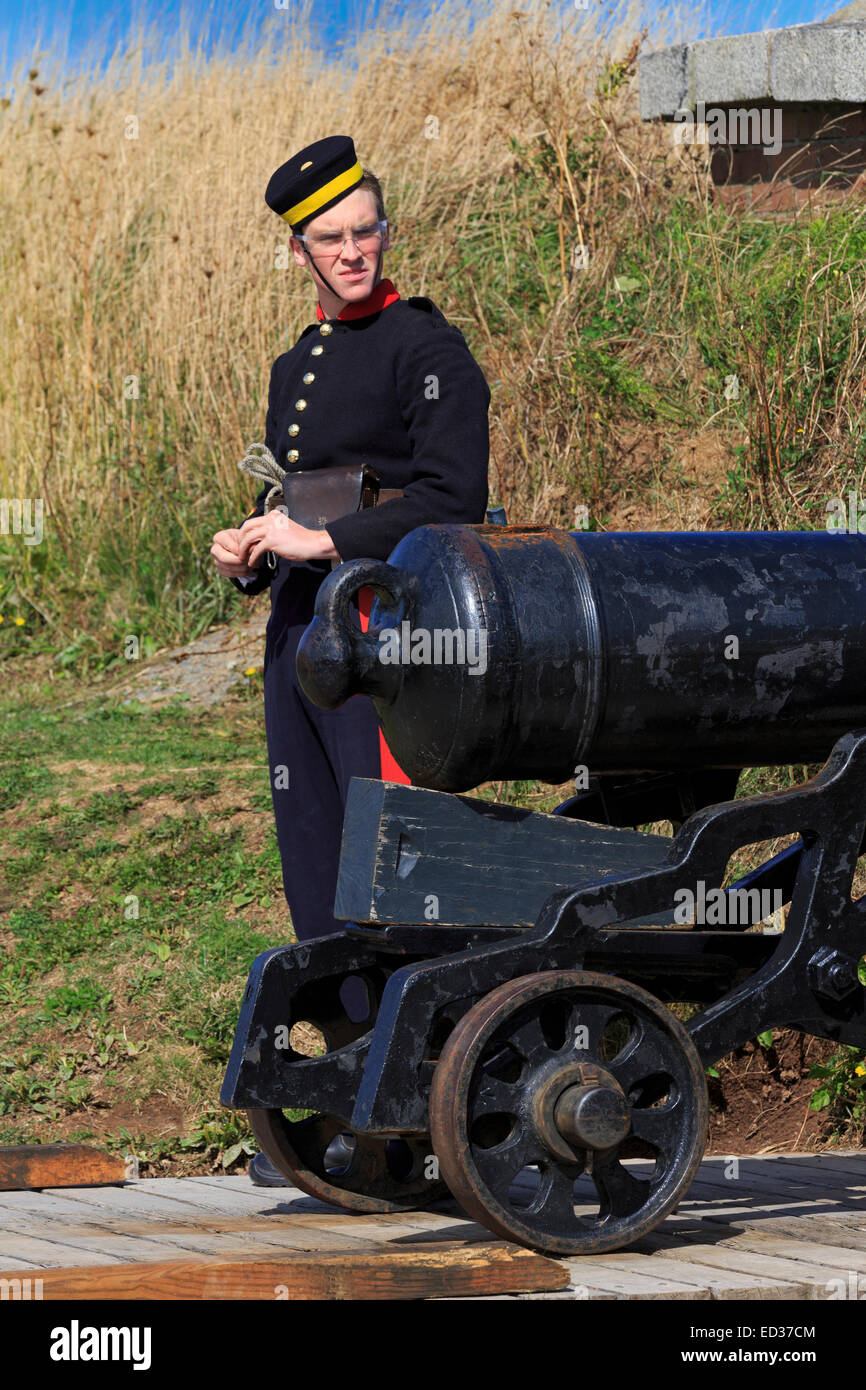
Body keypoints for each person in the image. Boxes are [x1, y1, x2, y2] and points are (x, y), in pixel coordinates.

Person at [210, 134, 490, 1184]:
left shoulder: (427, 351)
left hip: (388, 631)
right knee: (317, 865)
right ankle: (359, 1094)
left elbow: (450, 502)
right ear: (299, 253)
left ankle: (435, 1096)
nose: (353, 251)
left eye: (365, 229)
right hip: (298, 633)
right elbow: (299, 498)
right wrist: (249, 548)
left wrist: (322, 543)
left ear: (383, 228)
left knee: (393, 861)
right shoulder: (297, 362)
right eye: (330, 239)